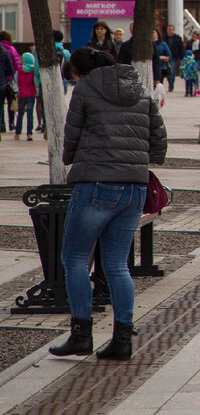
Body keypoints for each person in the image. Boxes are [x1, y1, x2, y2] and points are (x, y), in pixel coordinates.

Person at [49, 46, 167, 361]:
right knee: (117, 264)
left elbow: (70, 133)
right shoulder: (139, 87)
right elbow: (159, 136)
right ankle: (122, 339)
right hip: (135, 187)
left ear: (80, 72)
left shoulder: (86, 88)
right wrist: (142, 161)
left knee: (74, 258)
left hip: (96, 183)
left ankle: (81, 334)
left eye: (72, 75)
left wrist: (69, 158)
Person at [15, 52, 37, 140]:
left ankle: (17, 133)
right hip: (31, 94)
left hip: (21, 94)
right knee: (30, 114)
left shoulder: (19, 70)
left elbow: (16, 82)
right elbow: (35, 82)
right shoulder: (33, 71)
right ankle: (29, 134)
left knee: (20, 114)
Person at [165, 24, 185, 92]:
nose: (169, 30)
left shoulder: (177, 38)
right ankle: (169, 83)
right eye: (168, 29)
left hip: (174, 57)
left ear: (173, 30)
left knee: (172, 72)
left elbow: (181, 48)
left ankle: (171, 85)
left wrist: (181, 57)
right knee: (167, 72)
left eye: (171, 29)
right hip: (166, 57)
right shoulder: (164, 38)